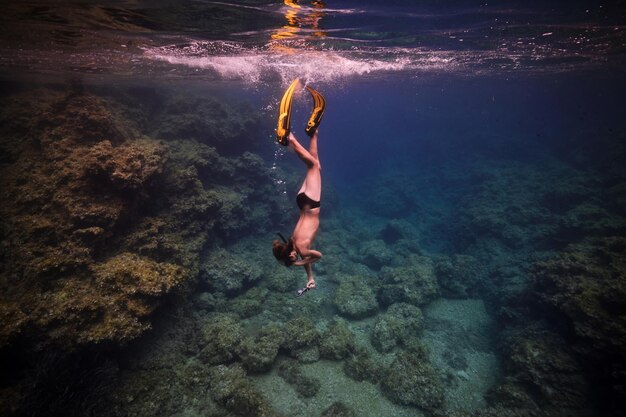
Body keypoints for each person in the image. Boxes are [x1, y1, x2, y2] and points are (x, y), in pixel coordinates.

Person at [272, 81, 325, 296]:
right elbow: (305, 259)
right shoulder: (293, 242)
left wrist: (298, 263)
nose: (293, 259)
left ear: (289, 254)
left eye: (290, 258)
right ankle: (313, 132)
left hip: (311, 204)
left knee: (312, 165)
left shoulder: (300, 250)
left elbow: (318, 255)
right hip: (303, 201)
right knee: (316, 165)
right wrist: (309, 277)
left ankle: (289, 138)